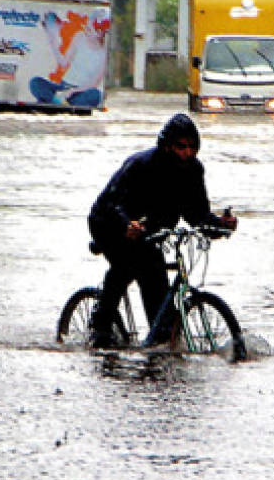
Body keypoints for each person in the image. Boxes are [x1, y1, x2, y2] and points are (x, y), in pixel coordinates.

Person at [86, 113, 238, 348]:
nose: (187, 153)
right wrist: (127, 224)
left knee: (154, 278)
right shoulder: (141, 165)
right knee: (128, 265)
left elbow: (197, 214)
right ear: (167, 146)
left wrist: (221, 225)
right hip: (108, 222)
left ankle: (160, 343)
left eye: (192, 147)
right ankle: (100, 327)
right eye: (181, 146)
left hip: (148, 231)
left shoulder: (193, 171)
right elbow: (113, 204)